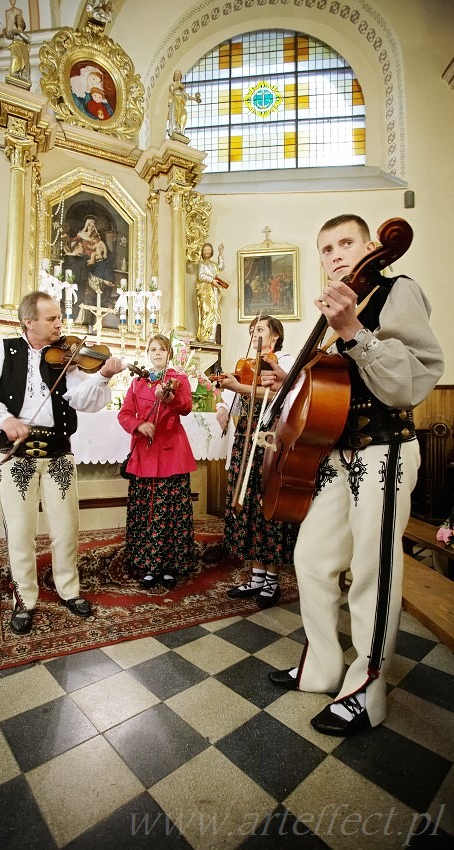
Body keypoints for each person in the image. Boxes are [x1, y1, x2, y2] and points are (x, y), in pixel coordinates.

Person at [268, 214, 444, 736]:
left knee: (374, 568)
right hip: (339, 456)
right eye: (325, 249)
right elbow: (332, 390)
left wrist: (352, 331)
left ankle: (368, 687)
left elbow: (410, 382)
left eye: (346, 243)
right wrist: (293, 380)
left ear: (370, 246)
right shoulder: (332, 313)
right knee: (312, 557)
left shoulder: (396, 289)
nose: (336, 254)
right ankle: (323, 666)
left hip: (385, 450)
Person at [0, 291, 125, 635]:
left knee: (66, 528)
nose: (59, 324)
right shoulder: (2, 353)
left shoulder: (63, 357)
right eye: (51, 319)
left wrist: (103, 376)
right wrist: (3, 419)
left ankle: (69, 590)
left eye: (59, 318)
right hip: (17, 456)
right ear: (29, 322)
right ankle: (25, 599)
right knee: (20, 533)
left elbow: (84, 400)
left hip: (58, 454)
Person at [217, 316, 298, 608]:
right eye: (252, 330)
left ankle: (273, 579)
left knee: (267, 500)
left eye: (260, 330)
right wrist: (223, 403)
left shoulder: (285, 361)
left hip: (270, 436)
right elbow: (235, 397)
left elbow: (280, 392)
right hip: (246, 435)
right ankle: (256, 575)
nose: (254, 334)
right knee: (248, 500)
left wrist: (238, 388)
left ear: (275, 336)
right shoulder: (246, 363)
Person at [117, 334, 197, 590]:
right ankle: (150, 566)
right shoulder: (138, 382)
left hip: (172, 451)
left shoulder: (179, 379)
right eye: (153, 349)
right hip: (145, 453)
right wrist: (139, 425)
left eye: (162, 349)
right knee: (147, 510)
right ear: (148, 354)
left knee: (172, 510)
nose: (157, 353)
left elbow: (186, 406)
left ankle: (172, 566)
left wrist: (170, 399)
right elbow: (125, 414)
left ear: (169, 353)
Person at [196, 241, 225, 343]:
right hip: (205, 292)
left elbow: (220, 267)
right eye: (205, 250)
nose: (207, 252)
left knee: (215, 312)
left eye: (209, 250)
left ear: (212, 251)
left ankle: (212, 337)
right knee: (206, 312)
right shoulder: (201, 264)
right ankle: (205, 336)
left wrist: (220, 253)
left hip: (214, 291)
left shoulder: (213, 265)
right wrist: (212, 280)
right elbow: (201, 276)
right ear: (202, 253)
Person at [167, 70, 201, 137]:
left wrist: (195, 99)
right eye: (176, 74)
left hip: (181, 104)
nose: (177, 75)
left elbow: (187, 96)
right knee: (175, 115)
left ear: (180, 76)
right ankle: (174, 129)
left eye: (179, 74)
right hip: (175, 102)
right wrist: (179, 85)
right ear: (174, 76)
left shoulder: (181, 89)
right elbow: (172, 89)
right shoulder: (172, 84)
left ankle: (181, 130)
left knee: (183, 114)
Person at [4, 0, 30, 85]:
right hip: (15, 47)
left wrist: (19, 33)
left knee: (24, 64)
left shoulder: (23, 34)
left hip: (23, 48)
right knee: (15, 58)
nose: (19, 20)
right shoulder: (14, 32)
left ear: (23, 23)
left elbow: (28, 39)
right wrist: (7, 32)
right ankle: (14, 74)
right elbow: (9, 35)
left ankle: (23, 75)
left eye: (20, 19)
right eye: (18, 19)